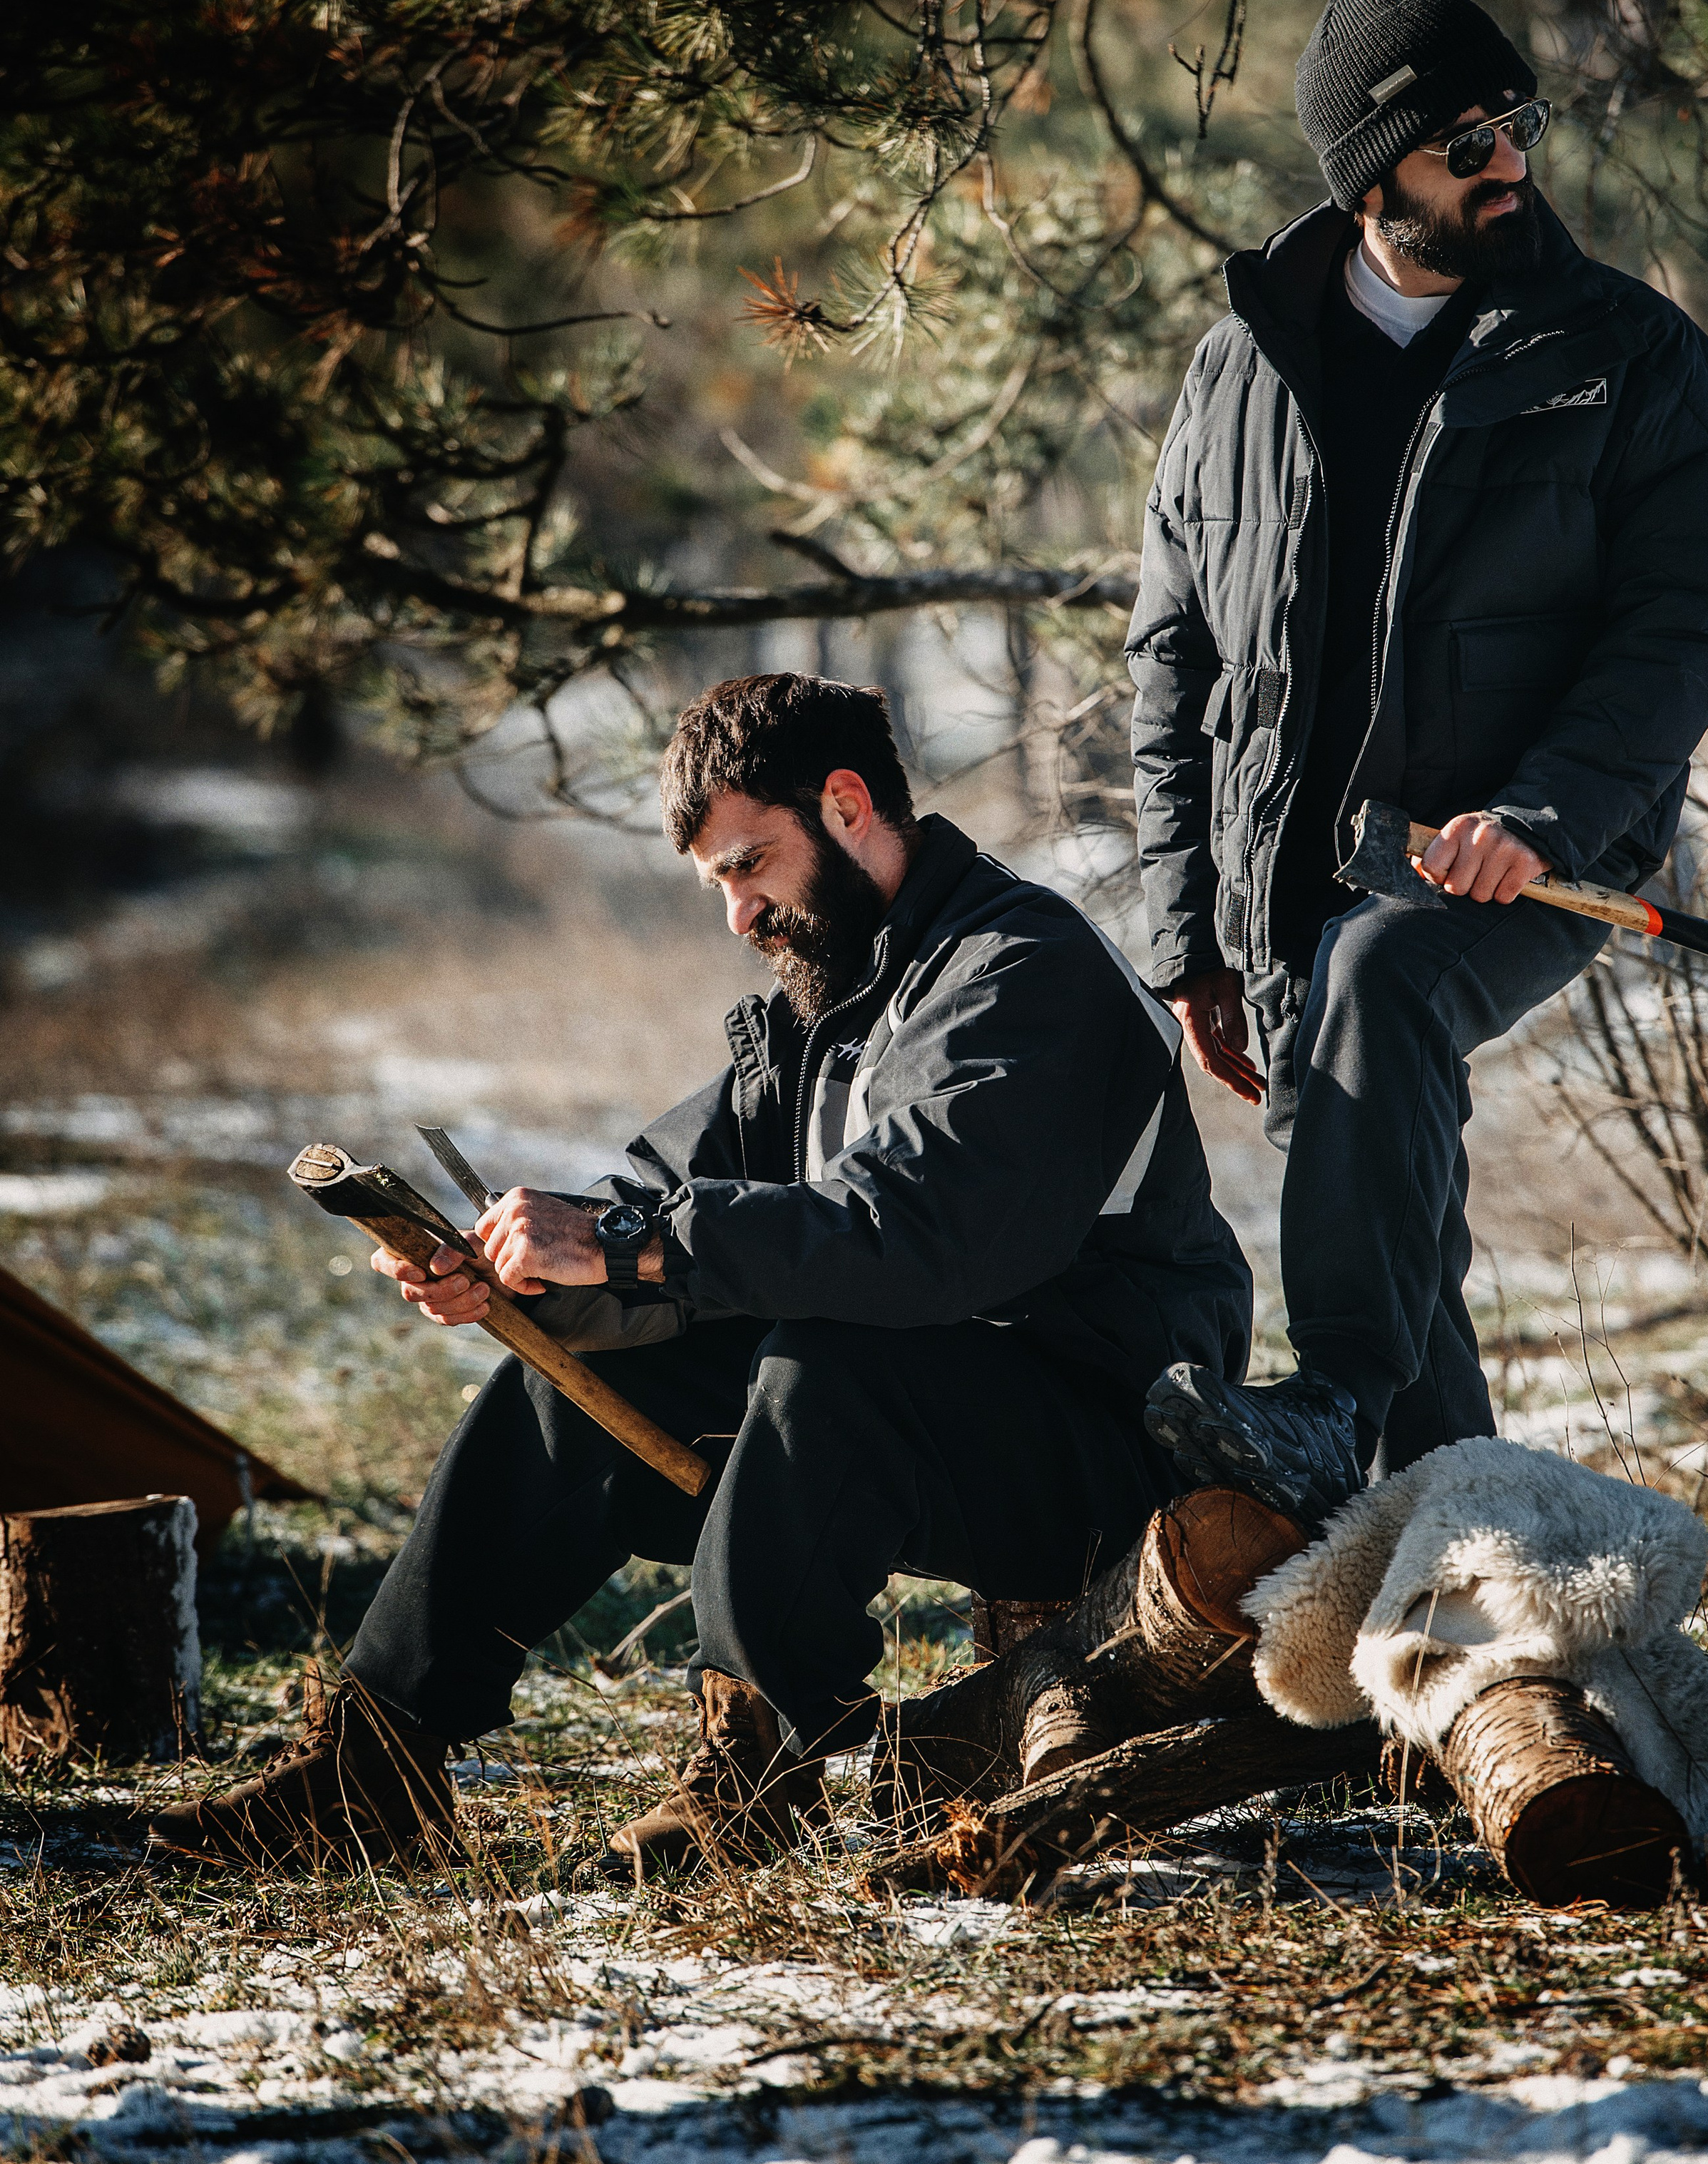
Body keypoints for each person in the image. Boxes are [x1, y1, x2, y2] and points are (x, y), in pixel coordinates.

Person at [149, 673, 1253, 1874]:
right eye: (719, 881)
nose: (739, 915)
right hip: (913, 1430)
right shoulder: (830, 998)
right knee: (564, 1375)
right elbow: (661, 1201)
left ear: (845, 804)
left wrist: (625, 1245)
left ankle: (751, 1774)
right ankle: (378, 1762)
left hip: (1110, 1450)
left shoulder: (1023, 973)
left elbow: (921, 1240)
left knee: (827, 1350)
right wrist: (523, 1276)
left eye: (749, 864)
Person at [1128, 0, 1708, 1516]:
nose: (1506, 162)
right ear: (1369, 183)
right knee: (1394, 1231)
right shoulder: (1239, 364)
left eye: (1514, 125)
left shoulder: (1622, 354)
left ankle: (1330, 1402)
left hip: (1520, 862)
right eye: (1462, 142)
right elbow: (1171, 652)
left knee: (1382, 986)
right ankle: (1474, 1619)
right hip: (1278, 881)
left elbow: (1689, 618)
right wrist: (1182, 938)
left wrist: (1539, 810)